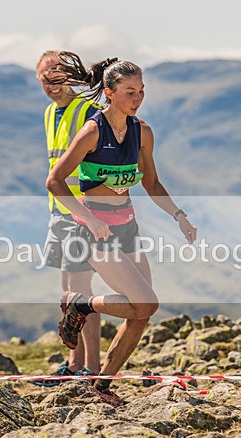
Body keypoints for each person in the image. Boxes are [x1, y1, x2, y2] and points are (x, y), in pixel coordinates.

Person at [45, 52, 197, 403]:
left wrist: (179, 215)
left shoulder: (142, 131)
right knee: (147, 303)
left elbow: (152, 184)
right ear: (110, 93)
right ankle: (80, 303)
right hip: (94, 231)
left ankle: (100, 386)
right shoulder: (92, 131)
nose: (137, 98)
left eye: (141, 90)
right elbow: (54, 181)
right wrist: (91, 219)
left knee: (141, 313)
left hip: (127, 227)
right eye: (130, 91)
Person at [35, 51, 102, 385]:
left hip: (83, 214)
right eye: (47, 79)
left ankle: (91, 369)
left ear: (71, 78)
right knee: (67, 289)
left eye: (59, 78)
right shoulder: (49, 113)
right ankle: (74, 365)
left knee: (80, 292)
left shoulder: (88, 112)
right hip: (59, 212)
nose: (53, 85)